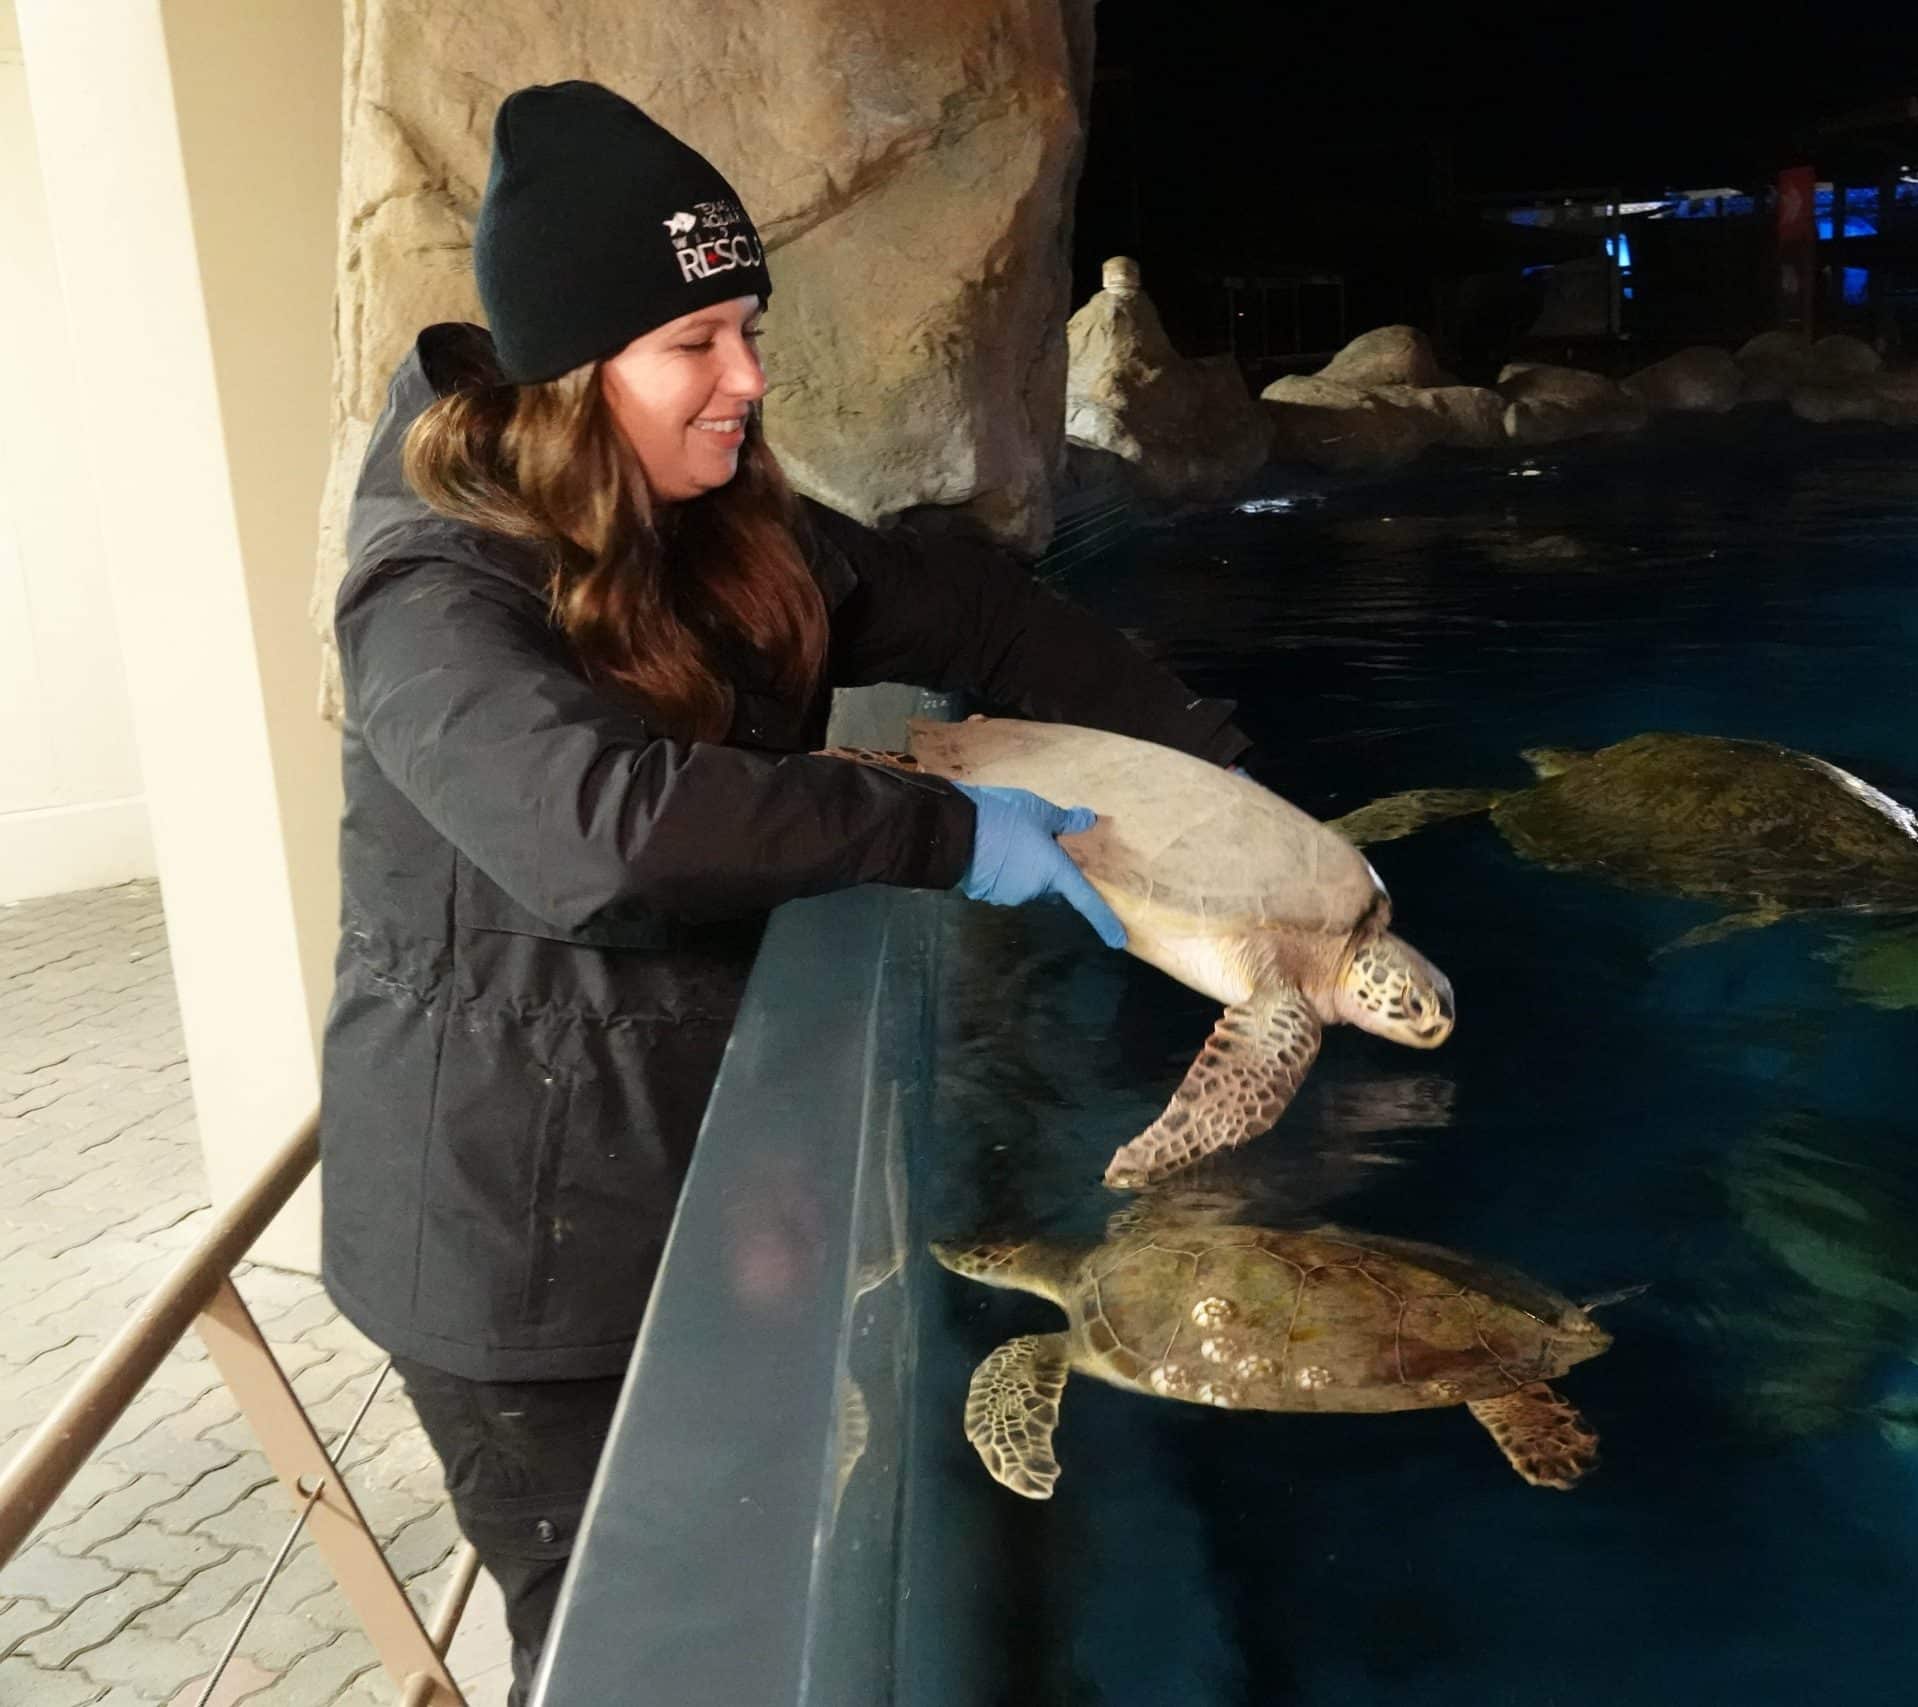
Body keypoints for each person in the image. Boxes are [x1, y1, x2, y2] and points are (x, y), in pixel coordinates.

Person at [319, 82, 1251, 1704]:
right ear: (570, 370)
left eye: (746, 324)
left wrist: (1208, 780)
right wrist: (952, 831)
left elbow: (969, 609)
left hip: (687, 1168)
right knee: (635, 1647)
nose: (748, 377)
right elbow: (601, 829)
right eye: (694, 343)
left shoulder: (706, 523)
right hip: (516, 1254)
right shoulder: (435, 581)